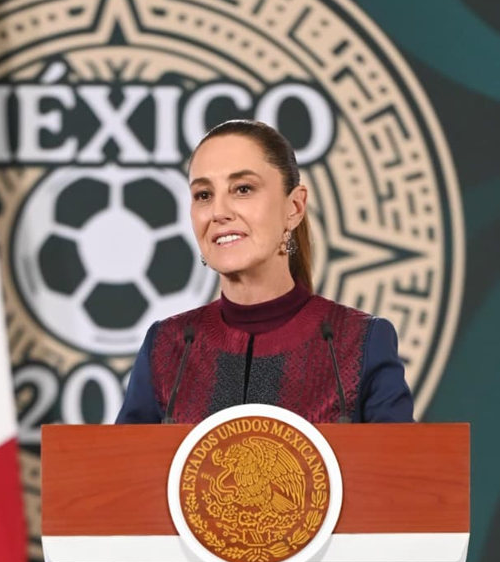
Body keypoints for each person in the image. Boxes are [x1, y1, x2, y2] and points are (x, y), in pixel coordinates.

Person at [116, 120, 414, 424]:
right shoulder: (167, 346)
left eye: (243, 189)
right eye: (203, 195)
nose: (219, 212)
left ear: (295, 207)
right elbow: (120, 456)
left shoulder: (359, 341)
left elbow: (403, 456)